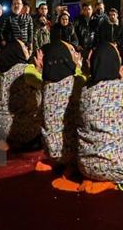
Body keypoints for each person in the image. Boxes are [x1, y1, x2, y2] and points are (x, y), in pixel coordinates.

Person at [74, 42, 123, 194]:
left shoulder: (84, 91)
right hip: (115, 164)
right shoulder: (122, 89)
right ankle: (114, 183)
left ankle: (98, 181)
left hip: (85, 166)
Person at [35, 40, 87, 184]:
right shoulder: (77, 81)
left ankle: (61, 161)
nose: (76, 54)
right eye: (71, 50)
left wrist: (39, 69)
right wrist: (78, 68)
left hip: (51, 150)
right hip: (72, 150)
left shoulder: (46, 84)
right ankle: (72, 163)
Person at [0, 39, 43, 148]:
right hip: (21, 129)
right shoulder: (26, 69)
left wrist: (37, 69)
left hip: (3, 129)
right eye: (24, 47)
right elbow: (48, 88)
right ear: (17, 51)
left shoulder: (4, 73)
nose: (27, 49)